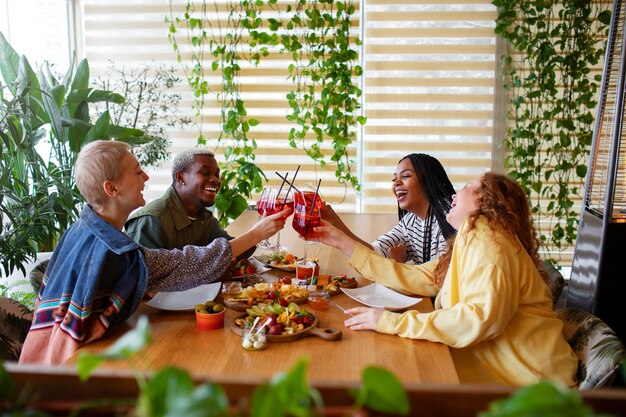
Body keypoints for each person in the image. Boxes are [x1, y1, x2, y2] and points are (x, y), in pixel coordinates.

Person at [19, 141, 286, 365]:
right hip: (65, 370)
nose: (146, 177)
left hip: (41, 359)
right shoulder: (112, 249)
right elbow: (181, 264)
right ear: (112, 189)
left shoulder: (81, 231)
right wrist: (256, 233)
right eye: (137, 172)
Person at [312, 172, 578, 386]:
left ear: (488, 201)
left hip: (530, 382)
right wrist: (340, 241)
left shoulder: (489, 237)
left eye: (467, 187)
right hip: (512, 373)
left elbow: (479, 318)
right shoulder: (471, 237)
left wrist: (391, 321)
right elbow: (420, 276)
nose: (454, 193)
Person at [322, 153, 455, 264]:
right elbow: (375, 253)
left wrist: (397, 265)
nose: (396, 183)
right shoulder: (410, 221)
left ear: (429, 180)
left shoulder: (450, 217)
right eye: (394, 179)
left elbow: (438, 279)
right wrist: (336, 224)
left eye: (406, 176)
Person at [125, 148, 254, 258]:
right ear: (180, 178)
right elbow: (143, 278)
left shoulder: (204, 218)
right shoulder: (150, 221)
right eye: (205, 173)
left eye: (216, 174)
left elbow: (233, 250)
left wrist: (263, 229)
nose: (215, 179)